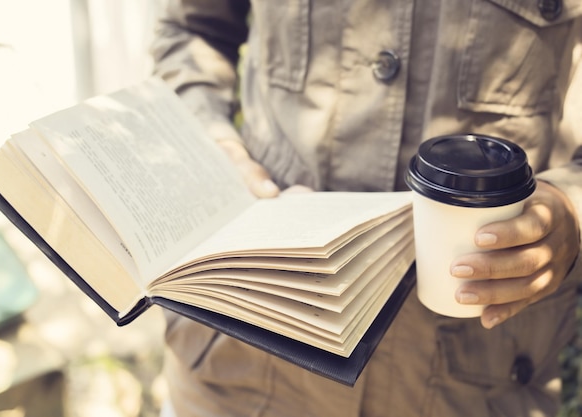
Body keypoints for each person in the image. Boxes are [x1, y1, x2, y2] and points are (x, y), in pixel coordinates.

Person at [150, 1, 582, 416]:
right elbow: (190, 31)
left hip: (475, 385)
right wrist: (214, 146)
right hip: (237, 368)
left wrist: (571, 204)